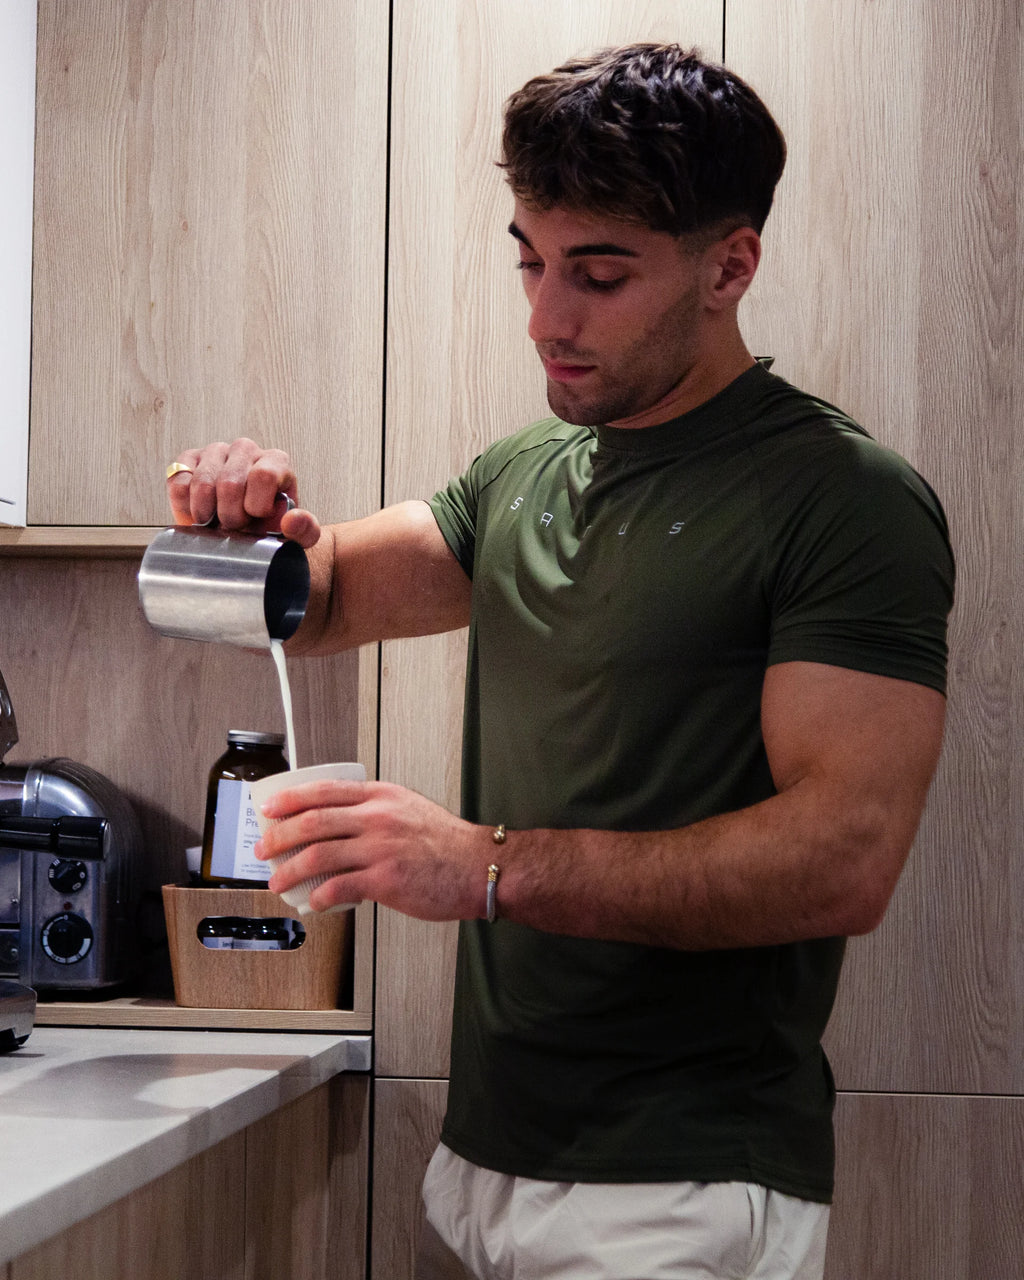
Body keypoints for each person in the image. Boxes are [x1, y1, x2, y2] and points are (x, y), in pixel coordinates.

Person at [166, 44, 955, 1280]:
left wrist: (482, 867)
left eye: (597, 274)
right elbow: (316, 600)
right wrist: (237, 513)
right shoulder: (526, 472)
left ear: (728, 265)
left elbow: (840, 862)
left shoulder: (843, 501)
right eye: (531, 261)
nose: (545, 316)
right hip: (491, 1160)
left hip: (680, 1183)